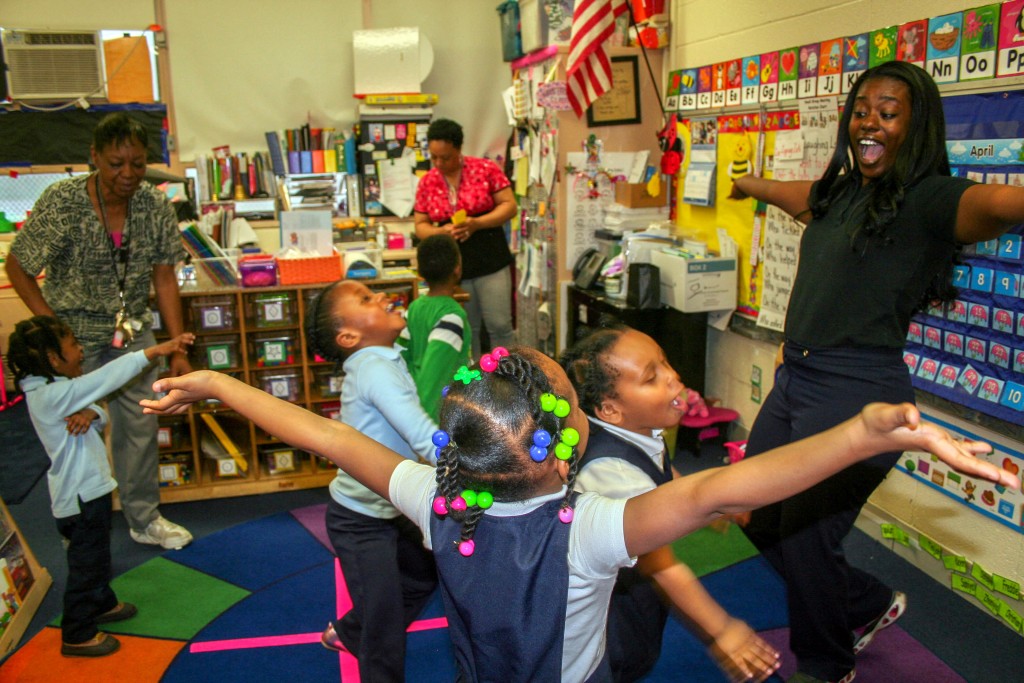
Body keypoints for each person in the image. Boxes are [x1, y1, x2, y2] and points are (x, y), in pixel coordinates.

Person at [141, 346, 1016, 683]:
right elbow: (727, 488)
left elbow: (327, 436)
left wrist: (217, 381)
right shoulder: (593, 525)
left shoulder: (435, 499)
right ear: (559, 453)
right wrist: (862, 432)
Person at [728, 61, 1024, 683]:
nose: (870, 122)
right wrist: (745, 183)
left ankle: (828, 663)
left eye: (888, 113)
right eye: (862, 109)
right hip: (797, 380)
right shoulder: (839, 192)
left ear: (915, 127)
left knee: (808, 539)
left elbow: (1001, 203)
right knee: (753, 515)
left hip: (859, 391)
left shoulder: (933, 200)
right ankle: (865, 603)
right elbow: (790, 195)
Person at [5, 112, 194, 550]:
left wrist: (178, 345)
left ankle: (143, 519)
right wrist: (52, 329)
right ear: (94, 157)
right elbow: (19, 266)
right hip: (74, 340)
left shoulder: (154, 204)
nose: (127, 174)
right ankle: (80, 527)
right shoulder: (63, 201)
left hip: (133, 334)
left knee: (142, 426)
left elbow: (164, 277)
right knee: (79, 430)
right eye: (115, 163)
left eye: (137, 163)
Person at [562, 325, 780, 683]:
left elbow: (667, 476)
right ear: (611, 410)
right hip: (603, 606)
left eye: (664, 363)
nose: (673, 376)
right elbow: (660, 565)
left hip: (627, 588)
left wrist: (715, 506)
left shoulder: (640, 430)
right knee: (613, 661)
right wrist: (721, 628)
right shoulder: (611, 470)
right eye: (651, 377)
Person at [7, 315, 194, 657]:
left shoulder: (55, 391)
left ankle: (102, 603)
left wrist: (93, 414)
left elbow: (99, 411)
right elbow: (102, 382)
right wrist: (151, 352)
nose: (79, 352)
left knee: (97, 556)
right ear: (52, 359)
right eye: (73, 347)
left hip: (90, 492)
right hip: (79, 499)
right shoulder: (52, 396)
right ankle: (77, 633)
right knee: (85, 565)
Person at [304, 279, 439, 682]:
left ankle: (351, 630)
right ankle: (370, 637)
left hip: (392, 504)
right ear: (348, 336)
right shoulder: (375, 369)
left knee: (422, 578)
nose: (381, 297)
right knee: (384, 628)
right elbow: (419, 433)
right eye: (366, 299)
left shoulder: (385, 357)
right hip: (360, 518)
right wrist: (471, 466)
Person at [413, 118, 517, 357]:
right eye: (434, 157)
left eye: (446, 157)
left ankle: (510, 380)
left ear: (459, 150)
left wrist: (476, 223)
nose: (439, 163)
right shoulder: (427, 181)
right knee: (467, 328)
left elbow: (509, 206)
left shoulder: (486, 169)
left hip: (490, 258)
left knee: (499, 325)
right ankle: (474, 383)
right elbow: (420, 225)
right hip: (453, 265)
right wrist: (441, 231)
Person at [398, 233, 472, 420]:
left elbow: (401, 357)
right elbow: (434, 376)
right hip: (436, 417)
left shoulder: (414, 308)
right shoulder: (451, 317)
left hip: (411, 405)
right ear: (457, 269)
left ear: (420, 272)